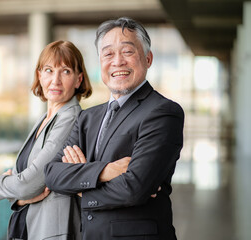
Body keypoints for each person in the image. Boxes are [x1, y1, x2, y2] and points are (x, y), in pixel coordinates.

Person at [44, 17, 184, 240]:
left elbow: (134, 189)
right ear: (100, 62)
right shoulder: (87, 117)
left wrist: (80, 188)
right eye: (108, 54)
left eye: (127, 52)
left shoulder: (163, 112)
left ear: (148, 58)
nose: (117, 61)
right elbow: (52, 174)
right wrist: (106, 172)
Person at [0, 40, 92, 240]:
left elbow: (28, 184)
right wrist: (20, 200)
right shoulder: (45, 119)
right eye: (48, 70)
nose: (55, 80)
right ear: (39, 75)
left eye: (65, 71)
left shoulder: (70, 119)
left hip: (52, 230)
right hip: (32, 225)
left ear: (78, 79)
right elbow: (25, 185)